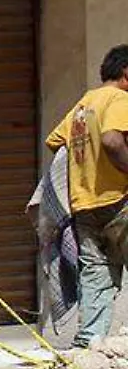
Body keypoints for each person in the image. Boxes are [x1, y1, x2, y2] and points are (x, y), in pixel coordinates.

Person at [46, 45, 128, 348]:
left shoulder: (84, 103)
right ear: (126, 73)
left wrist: (86, 167)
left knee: (95, 272)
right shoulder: (119, 99)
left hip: (86, 204)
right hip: (118, 200)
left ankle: (90, 344)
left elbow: (55, 141)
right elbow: (111, 139)